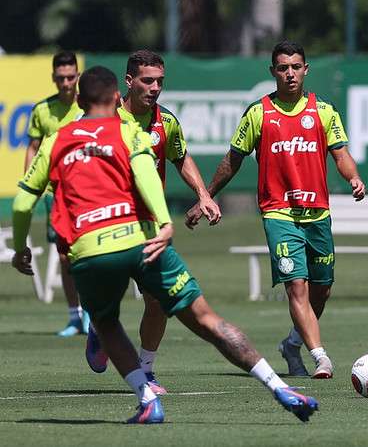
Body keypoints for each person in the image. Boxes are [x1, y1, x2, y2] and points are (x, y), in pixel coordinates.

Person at [11, 66, 318, 423]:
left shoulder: (58, 139)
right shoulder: (128, 132)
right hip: (141, 241)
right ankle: (279, 386)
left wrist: (20, 248)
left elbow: (22, 202)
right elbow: (145, 175)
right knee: (206, 319)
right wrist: (165, 222)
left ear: (79, 101)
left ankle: (146, 398)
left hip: (89, 250)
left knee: (108, 323)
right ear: (116, 99)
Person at [186, 41, 365, 379]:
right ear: (273, 72)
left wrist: (354, 178)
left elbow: (341, 155)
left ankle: (293, 343)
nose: (289, 73)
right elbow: (232, 161)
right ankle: (321, 357)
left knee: (321, 289)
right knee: (296, 286)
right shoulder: (259, 113)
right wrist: (205, 196)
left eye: (295, 66)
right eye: (283, 67)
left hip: (317, 214)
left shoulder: (323, 111)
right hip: (279, 213)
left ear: (305, 69)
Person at [84, 50, 221, 396]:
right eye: (148, 80)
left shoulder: (167, 122)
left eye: (160, 81)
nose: (155, 87)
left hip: (150, 227)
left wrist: (203, 194)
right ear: (129, 82)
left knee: (158, 301)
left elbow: (181, 156)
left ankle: (146, 370)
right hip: (109, 224)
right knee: (107, 301)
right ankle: (99, 327)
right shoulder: (105, 120)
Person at [24, 51, 89, 337]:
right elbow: (33, 148)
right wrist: (30, 183)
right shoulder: (42, 110)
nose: (66, 83)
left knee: (87, 254)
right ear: (53, 78)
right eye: (61, 77)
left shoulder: (88, 108)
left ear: (78, 77)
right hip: (56, 192)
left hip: (86, 193)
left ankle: (92, 313)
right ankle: (75, 316)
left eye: (71, 77)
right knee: (64, 257)